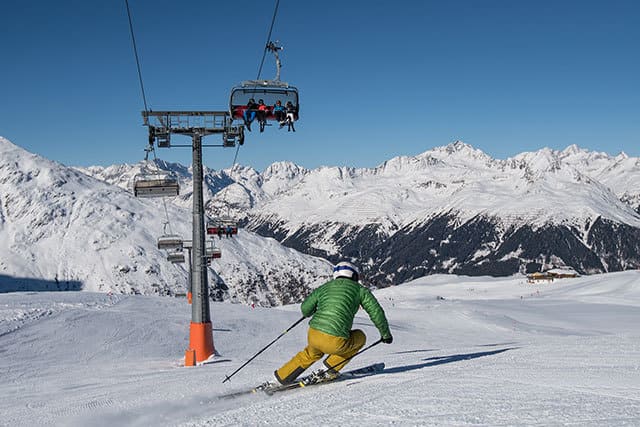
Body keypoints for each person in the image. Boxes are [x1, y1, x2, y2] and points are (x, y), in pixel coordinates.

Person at [273, 261, 393, 385]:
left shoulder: (325, 287)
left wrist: (315, 309)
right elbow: (376, 312)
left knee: (309, 354)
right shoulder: (360, 290)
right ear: (354, 276)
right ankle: (328, 371)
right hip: (335, 340)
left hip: (313, 335)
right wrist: (385, 334)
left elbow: (305, 309)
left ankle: (280, 378)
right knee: (360, 337)